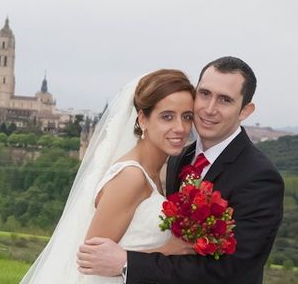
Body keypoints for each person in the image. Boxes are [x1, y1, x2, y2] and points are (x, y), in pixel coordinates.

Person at [76, 56, 285, 284]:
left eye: (225, 100)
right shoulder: (179, 159)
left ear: (245, 110)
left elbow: (232, 270)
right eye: (204, 94)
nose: (209, 108)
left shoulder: (260, 177)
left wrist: (129, 262)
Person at [20, 69, 197, 283]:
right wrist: (169, 250)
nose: (180, 127)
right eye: (167, 117)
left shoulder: (154, 173)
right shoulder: (131, 176)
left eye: (187, 117)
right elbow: (90, 261)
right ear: (143, 119)